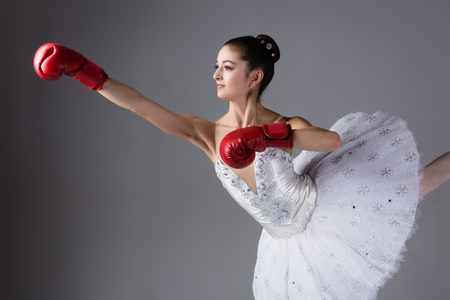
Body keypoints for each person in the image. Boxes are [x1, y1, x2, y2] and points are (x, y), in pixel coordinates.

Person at [33, 35, 450, 299]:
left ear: (254, 77)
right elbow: (142, 106)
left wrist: (263, 138)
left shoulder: (283, 123)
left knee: (417, 184)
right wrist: (84, 71)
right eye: (215, 67)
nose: (216, 74)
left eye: (227, 67)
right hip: (285, 243)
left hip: (322, 211)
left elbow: (330, 141)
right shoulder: (206, 134)